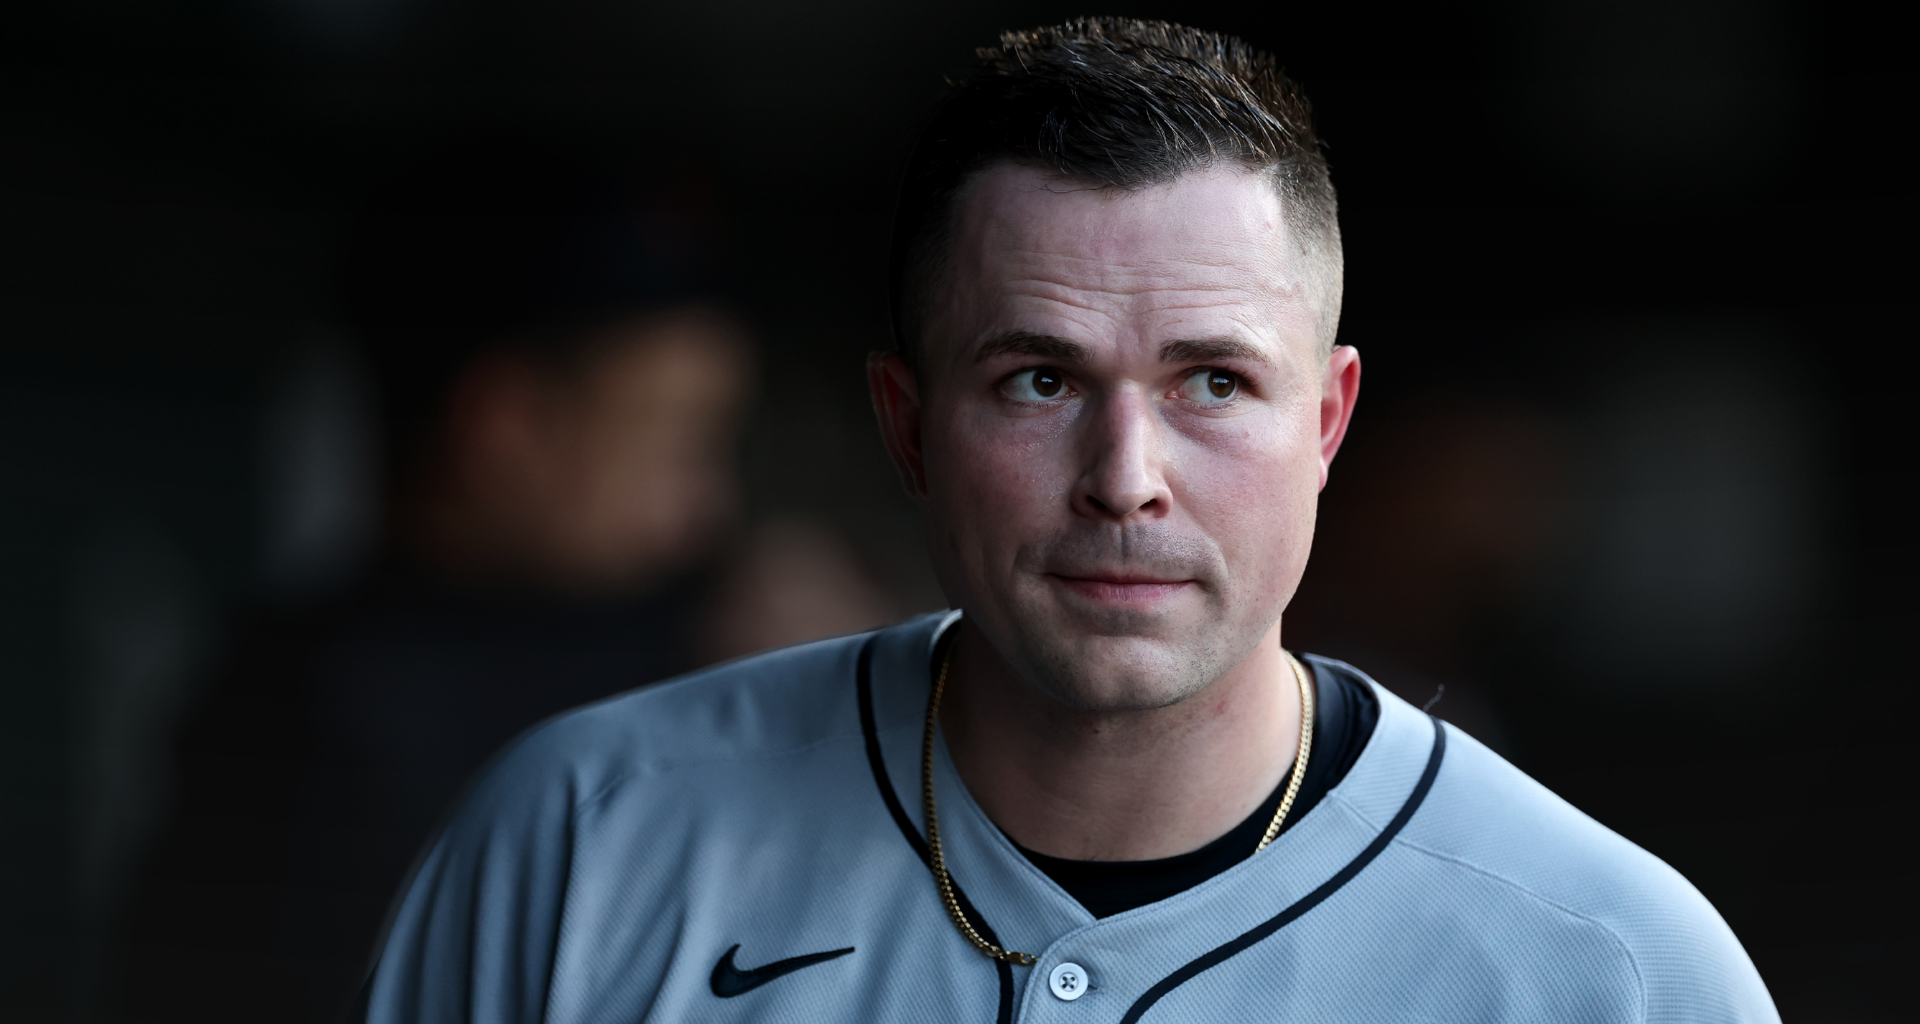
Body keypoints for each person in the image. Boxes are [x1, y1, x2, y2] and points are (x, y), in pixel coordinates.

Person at [354, 21, 1778, 1023]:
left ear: (1329, 425)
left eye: (1213, 382)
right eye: (1038, 379)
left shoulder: (1617, 972)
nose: (1125, 475)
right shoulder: (577, 847)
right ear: (907, 425)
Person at [111, 137, 891, 1023]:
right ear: (505, 430)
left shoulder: (704, 621)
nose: (711, 504)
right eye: (679, 442)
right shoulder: (323, 732)